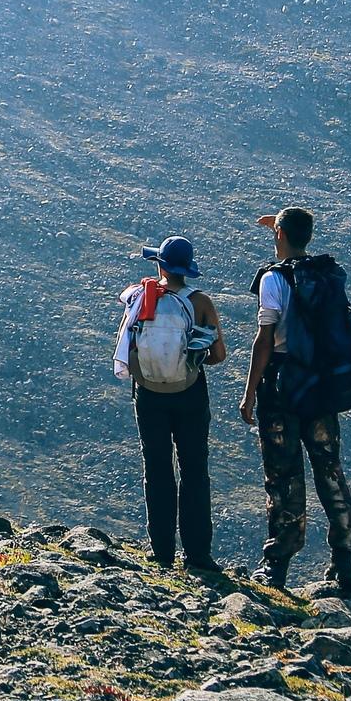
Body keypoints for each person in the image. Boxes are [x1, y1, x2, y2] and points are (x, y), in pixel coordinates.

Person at [240, 206, 351, 593]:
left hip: (282, 387)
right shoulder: (323, 275)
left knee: (283, 474)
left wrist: (249, 393)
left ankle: (276, 564)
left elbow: (265, 339)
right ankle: (344, 566)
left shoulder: (274, 280)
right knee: (330, 470)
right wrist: (275, 225)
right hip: (322, 388)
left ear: (280, 235)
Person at [115, 234, 227, 576]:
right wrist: (191, 360)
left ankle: (161, 552)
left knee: (158, 468)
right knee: (194, 470)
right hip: (189, 393)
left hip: (148, 393)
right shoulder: (201, 302)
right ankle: (198, 556)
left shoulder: (140, 295)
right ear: (187, 269)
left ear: (160, 264)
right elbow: (219, 355)